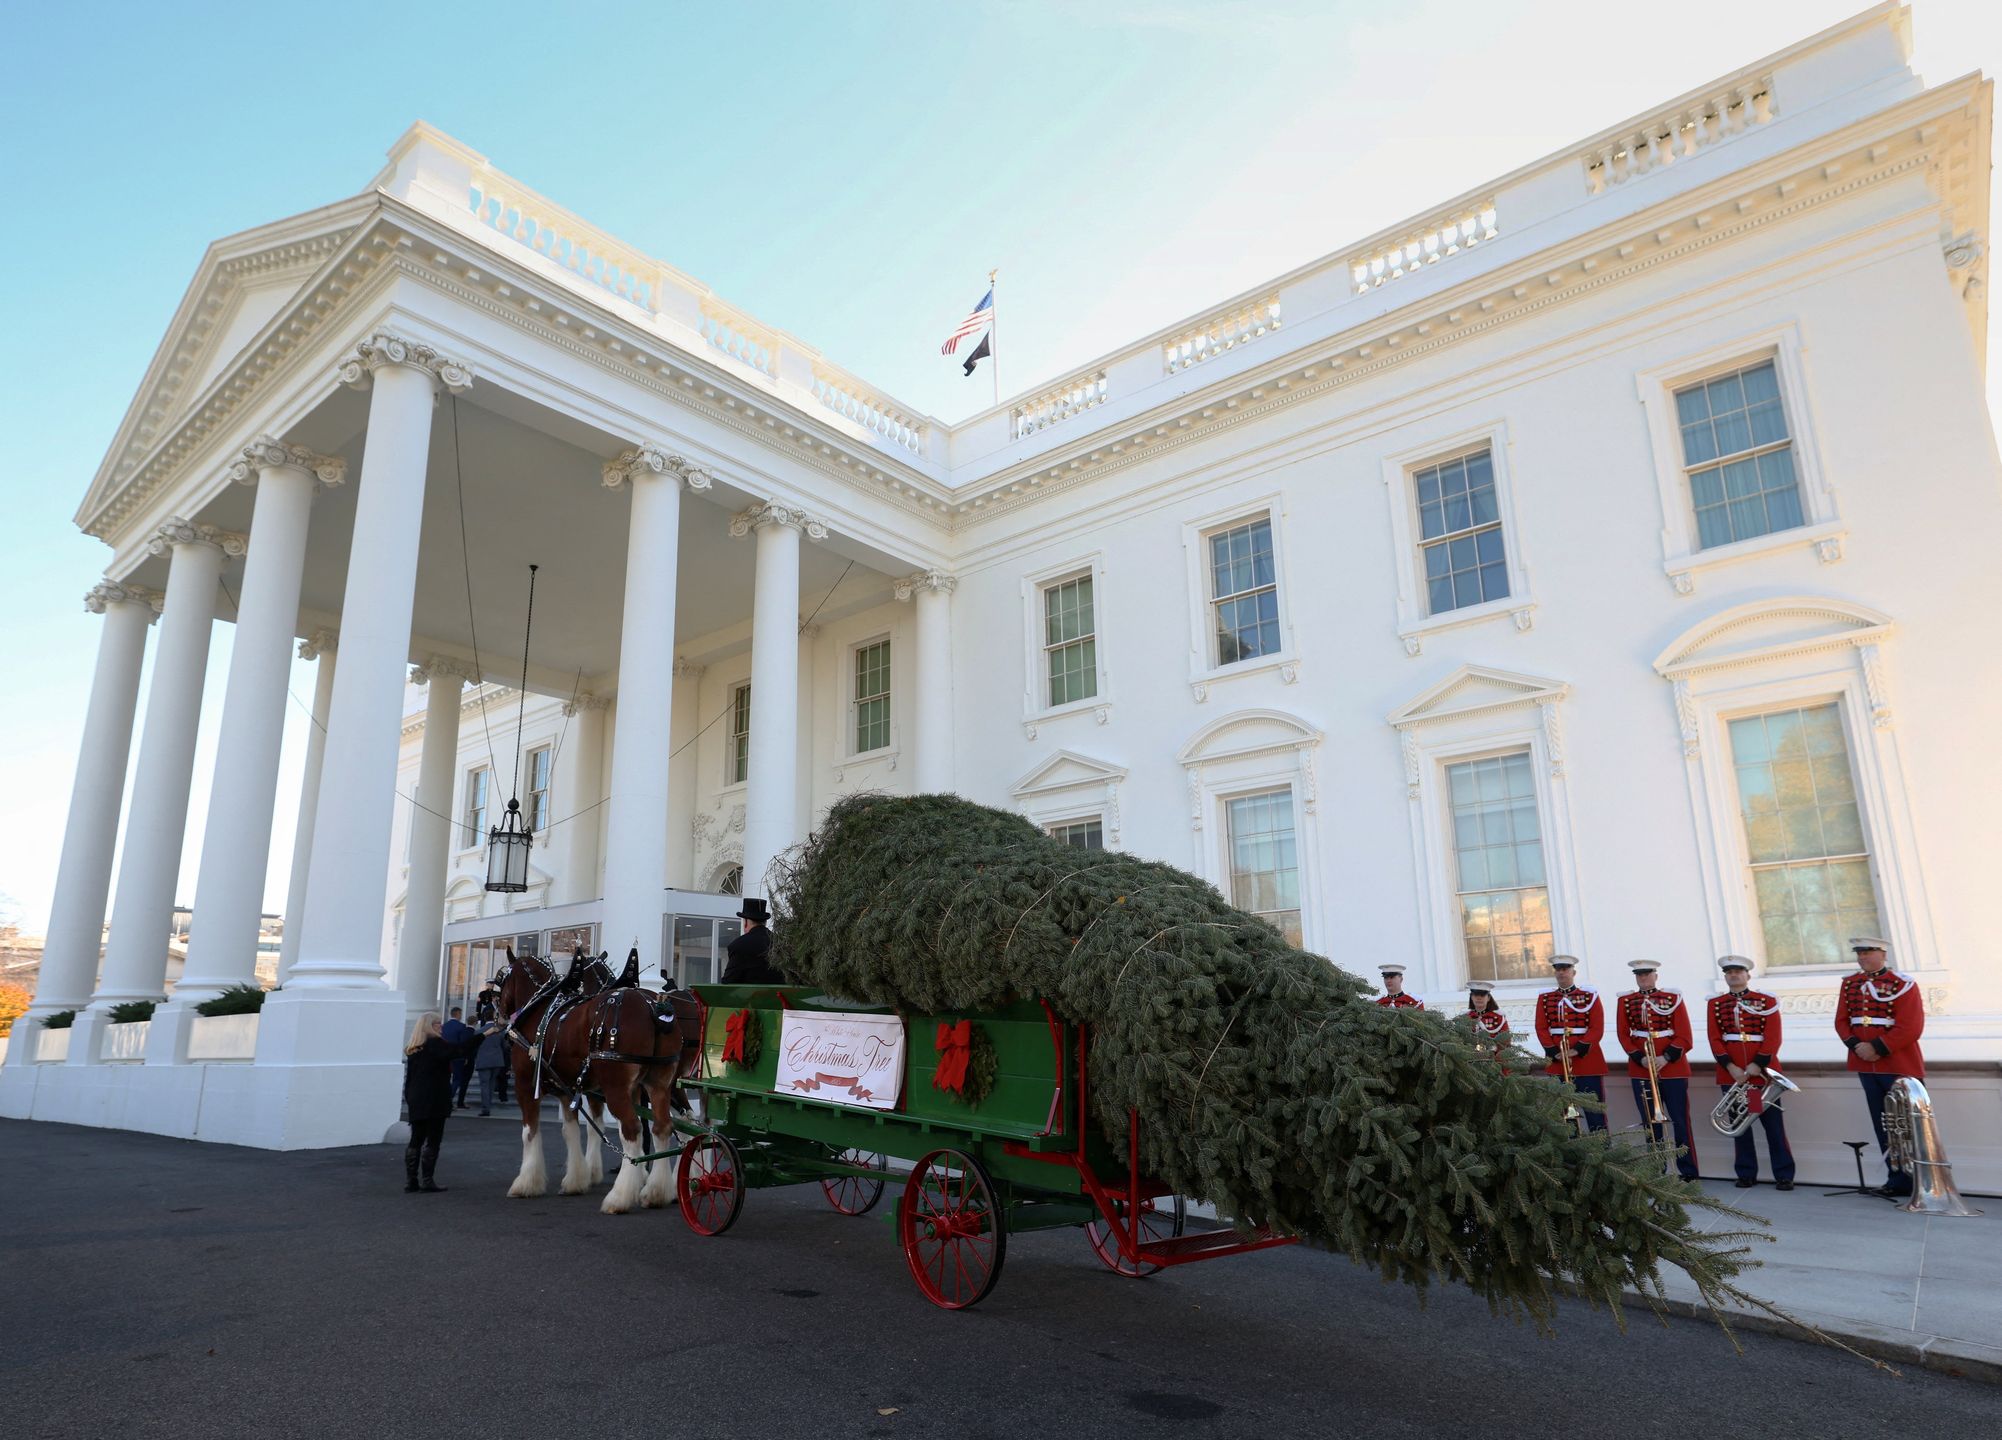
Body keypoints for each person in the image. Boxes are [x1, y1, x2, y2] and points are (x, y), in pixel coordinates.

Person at [1835, 935, 1926, 1197]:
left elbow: (1911, 1026)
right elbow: (1842, 1021)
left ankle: (1919, 1180)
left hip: (1898, 1064)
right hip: (1865, 1064)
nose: (1863, 957)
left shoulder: (1902, 984)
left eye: (1869, 952)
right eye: (1860, 953)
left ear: (1883, 954)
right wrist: (1857, 1046)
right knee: (1883, 1125)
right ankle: (1896, 1179)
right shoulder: (1851, 984)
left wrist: (1877, 1048)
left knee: (1908, 1126)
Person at [1707, 955, 1795, 1191]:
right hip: (1734, 1075)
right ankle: (1746, 1172)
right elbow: (1715, 1039)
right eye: (1729, 972)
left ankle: (1783, 1174)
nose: (1733, 975)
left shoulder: (1765, 1001)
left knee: (1772, 1126)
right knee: (1739, 1126)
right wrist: (1732, 1067)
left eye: (1738, 971)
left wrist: (1757, 1065)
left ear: (1747, 975)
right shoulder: (1715, 1004)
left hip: (1761, 1077)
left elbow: (1773, 1036)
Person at [1615, 960, 1699, 1181]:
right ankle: (1657, 1168)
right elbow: (1623, 1034)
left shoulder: (1673, 999)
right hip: (1641, 1068)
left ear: (1656, 975)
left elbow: (1685, 1035)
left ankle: (1688, 1170)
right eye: (1639, 975)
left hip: (1672, 1068)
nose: (1643, 978)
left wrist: (1666, 1057)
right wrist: (1640, 1058)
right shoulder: (1626, 1001)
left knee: (1680, 1120)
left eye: (1647, 974)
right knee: (1650, 1122)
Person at [402, 1011, 492, 1192]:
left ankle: (411, 1181)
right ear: (430, 1026)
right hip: (435, 1097)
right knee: (433, 1140)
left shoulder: (414, 1047)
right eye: (438, 1024)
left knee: (416, 1140)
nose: (441, 1027)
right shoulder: (435, 1044)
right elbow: (459, 1050)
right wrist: (483, 1034)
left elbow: (410, 1078)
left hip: (417, 1098)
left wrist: (409, 1097)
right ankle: (427, 1180)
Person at [1534, 955, 1606, 1132]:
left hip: (1586, 1061)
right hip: (1558, 1061)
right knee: (1563, 1113)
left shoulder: (1589, 995)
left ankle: (1601, 1153)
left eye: (1565, 969)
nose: (1561, 973)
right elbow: (1541, 1027)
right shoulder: (1545, 998)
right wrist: (1552, 1051)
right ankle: (1571, 1156)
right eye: (1558, 969)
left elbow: (1597, 1027)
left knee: (1594, 1111)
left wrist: (1578, 1049)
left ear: (1573, 972)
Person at [721, 897, 784, 984]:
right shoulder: (780, 942)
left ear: (746, 922)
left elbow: (728, 982)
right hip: (781, 996)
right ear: (765, 921)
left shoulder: (739, 945)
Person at [473, 1012, 508, 1117]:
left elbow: (474, 1047)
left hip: (483, 1061)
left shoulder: (478, 1031)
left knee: (484, 1085)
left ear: (484, 1018)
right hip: (497, 1061)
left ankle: (486, 1108)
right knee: (491, 1084)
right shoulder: (500, 1032)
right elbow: (505, 1047)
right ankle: (488, 1104)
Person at [442, 1006, 476, 1109]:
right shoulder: (462, 1027)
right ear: (457, 1014)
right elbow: (463, 1044)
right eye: (460, 1014)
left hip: (445, 1056)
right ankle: (448, 1101)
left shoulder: (444, 1026)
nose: (461, 1016)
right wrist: (465, 1057)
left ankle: (445, 1100)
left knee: (446, 1080)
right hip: (457, 1057)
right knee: (457, 1079)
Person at [1467, 981, 1509, 1062]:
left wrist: (1497, 1061)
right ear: (1471, 997)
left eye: (1482, 995)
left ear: (1489, 998)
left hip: (1493, 1061)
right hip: (1470, 1061)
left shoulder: (1499, 1018)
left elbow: (1505, 1043)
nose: (1479, 998)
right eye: (1475, 995)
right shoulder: (1465, 1017)